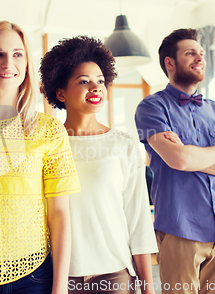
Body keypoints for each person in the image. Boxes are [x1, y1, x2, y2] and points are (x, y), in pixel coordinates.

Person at [0, 21, 80, 294]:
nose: (8, 62)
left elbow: (59, 214)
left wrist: (59, 289)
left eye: (17, 54)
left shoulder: (49, 130)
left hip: (37, 277)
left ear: (26, 64)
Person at [134, 28, 215, 294]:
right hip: (180, 228)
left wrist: (191, 157)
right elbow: (179, 159)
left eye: (201, 54)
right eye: (190, 53)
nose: (199, 58)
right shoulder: (152, 108)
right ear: (170, 62)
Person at [40, 36, 158, 294]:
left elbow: (138, 222)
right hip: (59, 277)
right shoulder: (45, 145)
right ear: (60, 92)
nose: (96, 88)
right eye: (84, 81)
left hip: (114, 275)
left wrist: (148, 289)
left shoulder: (123, 145)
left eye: (100, 81)